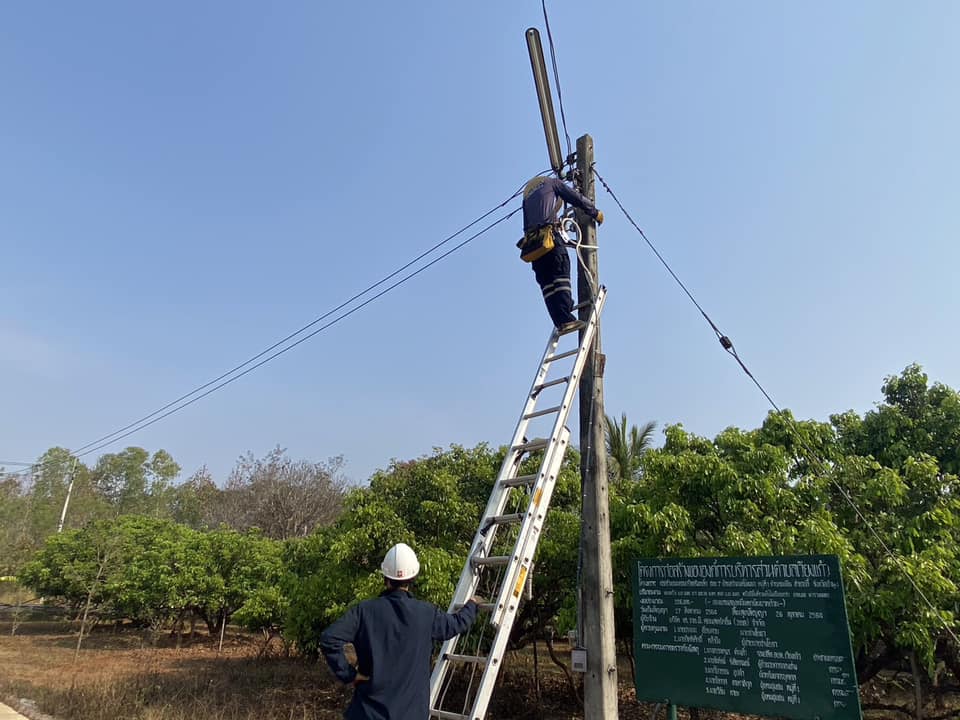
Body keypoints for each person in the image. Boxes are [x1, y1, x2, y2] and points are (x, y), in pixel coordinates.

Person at [320, 542, 480, 720]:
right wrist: (472, 605)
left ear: (385, 577)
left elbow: (329, 638)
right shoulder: (426, 613)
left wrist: (350, 675)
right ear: (413, 577)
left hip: (367, 713)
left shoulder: (364, 611)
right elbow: (454, 625)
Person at [519, 175, 603, 332]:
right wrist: (594, 212)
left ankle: (560, 321)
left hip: (533, 245)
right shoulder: (554, 183)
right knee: (560, 273)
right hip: (549, 238)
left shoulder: (527, 197)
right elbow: (575, 198)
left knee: (547, 285)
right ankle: (566, 317)